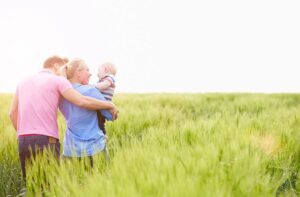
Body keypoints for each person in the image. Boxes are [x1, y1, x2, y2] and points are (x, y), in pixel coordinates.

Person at [9, 55, 118, 187]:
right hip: (63, 143)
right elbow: (83, 102)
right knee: (52, 188)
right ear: (56, 66)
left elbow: (12, 113)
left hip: (33, 142)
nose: (64, 72)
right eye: (63, 68)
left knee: (33, 187)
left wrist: (23, 135)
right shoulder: (62, 84)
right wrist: (110, 105)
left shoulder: (25, 82)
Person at [59, 59, 113, 167]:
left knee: (72, 184)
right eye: (87, 70)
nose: (90, 73)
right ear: (78, 73)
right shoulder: (90, 91)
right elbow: (110, 115)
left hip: (69, 151)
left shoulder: (62, 95)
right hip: (94, 149)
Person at [94, 62, 117, 137]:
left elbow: (104, 85)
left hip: (103, 105)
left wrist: (93, 87)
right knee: (99, 122)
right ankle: (102, 135)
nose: (97, 73)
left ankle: (103, 136)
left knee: (99, 123)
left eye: (99, 71)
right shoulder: (103, 79)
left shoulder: (110, 77)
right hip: (101, 105)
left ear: (105, 69)